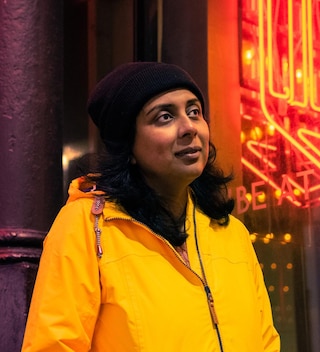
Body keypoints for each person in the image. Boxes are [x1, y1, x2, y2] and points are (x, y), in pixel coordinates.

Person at [22, 62, 281, 351]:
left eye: (194, 112)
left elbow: (266, 342)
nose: (189, 128)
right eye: (165, 117)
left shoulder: (233, 234)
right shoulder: (85, 226)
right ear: (128, 146)